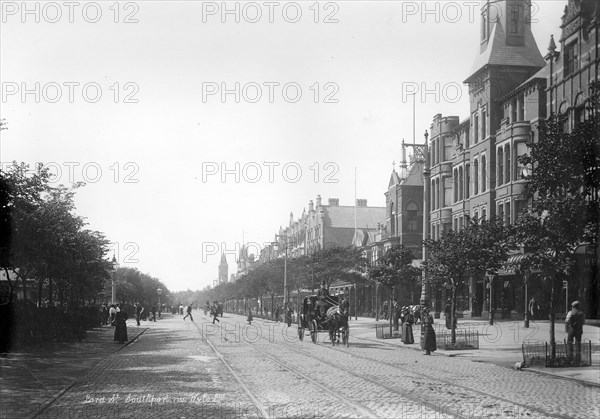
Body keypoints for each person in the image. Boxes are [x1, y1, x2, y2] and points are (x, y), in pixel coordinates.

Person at [565, 301, 585, 365]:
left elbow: (567, 321)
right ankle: (578, 358)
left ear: (573, 307)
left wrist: (567, 329)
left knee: (569, 342)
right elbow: (583, 322)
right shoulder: (582, 313)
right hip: (579, 330)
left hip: (572, 329)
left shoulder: (570, 312)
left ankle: (570, 357)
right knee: (578, 343)